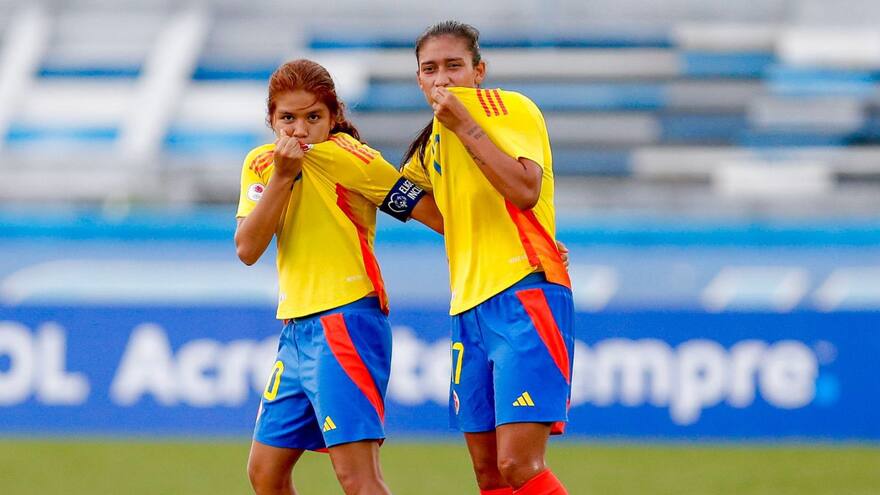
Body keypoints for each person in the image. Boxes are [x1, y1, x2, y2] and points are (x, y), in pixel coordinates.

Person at [234, 59, 442, 495]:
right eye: (287, 118)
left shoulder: (354, 160)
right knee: (265, 472)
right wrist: (283, 177)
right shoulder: (261, 164)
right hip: (296, 330)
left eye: (313, 117)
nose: (299, 130)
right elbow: (247, 248)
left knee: (357, 477)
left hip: (346, 322)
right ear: (270, 119)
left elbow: (438, 217)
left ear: (333, 117)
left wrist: (518, 243)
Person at [400, 21, 574, 495]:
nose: (442, 79)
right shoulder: (430, 145)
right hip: (468, 311)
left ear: (478, 71)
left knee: (520, 464)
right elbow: (415, 202)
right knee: (488, 473)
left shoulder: (506, 108)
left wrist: (465, 125)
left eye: (454, 66)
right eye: (430, 69)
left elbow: (524, 190)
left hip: (524, 294)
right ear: (419, 79)